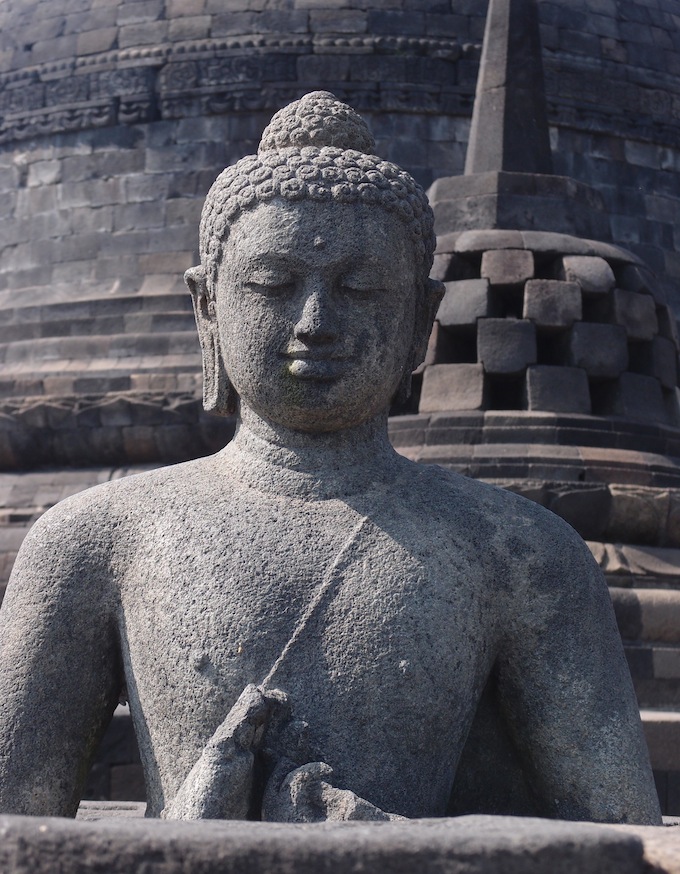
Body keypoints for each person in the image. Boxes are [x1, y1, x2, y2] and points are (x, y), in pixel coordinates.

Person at [0, 93, 661, 824]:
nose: (316, 323)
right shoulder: (94, 541)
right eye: (273, 286)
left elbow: (619, 842)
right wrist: (190, 832)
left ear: (420, 320)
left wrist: (377, 840)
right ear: (207, 309)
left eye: (361, 288)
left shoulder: (522, 555)